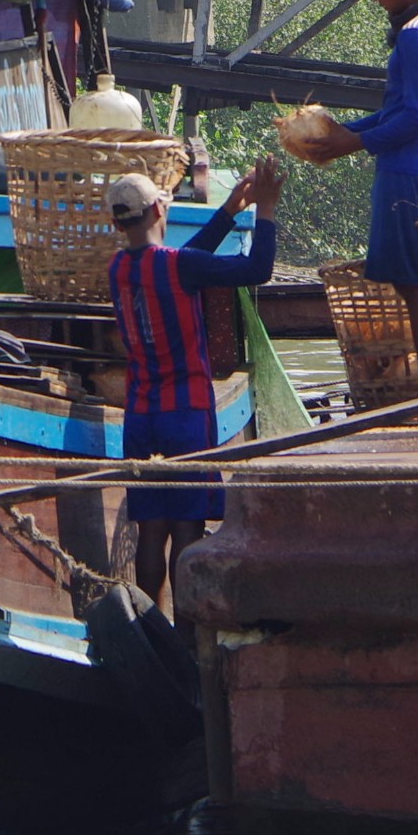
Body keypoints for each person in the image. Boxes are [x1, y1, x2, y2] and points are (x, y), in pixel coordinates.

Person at [297, 0, 418, 410]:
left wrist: (353, 142)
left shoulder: (414, 36)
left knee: (416, 284)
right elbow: (404, 108)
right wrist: (345, 131)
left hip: (407, 173)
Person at [107, 158, 282, 619]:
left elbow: (186, 260)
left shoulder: (118, 268)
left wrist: (228, 211)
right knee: (187, 526)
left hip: (142, 416)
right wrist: (265, 209)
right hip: (186, 413)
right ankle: (188, 635)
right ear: (159, 211)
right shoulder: (180, 266)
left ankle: (150, 626)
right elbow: (257, 268)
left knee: (151, 526)